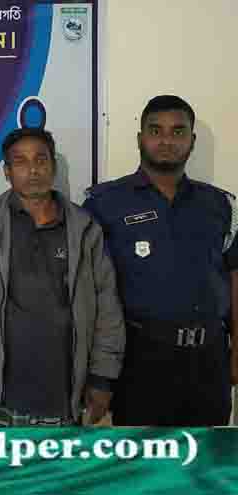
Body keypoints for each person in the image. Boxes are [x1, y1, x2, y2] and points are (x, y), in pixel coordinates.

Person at [84, 95, 238, 426]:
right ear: (140, 138)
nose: (167, 140)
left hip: (209, 362)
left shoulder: (220, 205)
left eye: (178, 131)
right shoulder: (104, 203)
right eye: (156, 130)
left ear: (192, 140)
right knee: (143, 457)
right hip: (140, 361)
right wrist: (99, 374)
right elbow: (91, 292)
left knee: (207, 456)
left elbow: (235, 277)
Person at [0, 127, 125, 426]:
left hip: (64, 395)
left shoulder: (84, 228)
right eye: (20, 161)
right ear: (7, 172)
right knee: (1, 458)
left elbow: (106, 303)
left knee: (63, 460)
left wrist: (102, 377)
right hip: (2, 396)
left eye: (41, 160)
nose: (33, 170)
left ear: (53, 166)